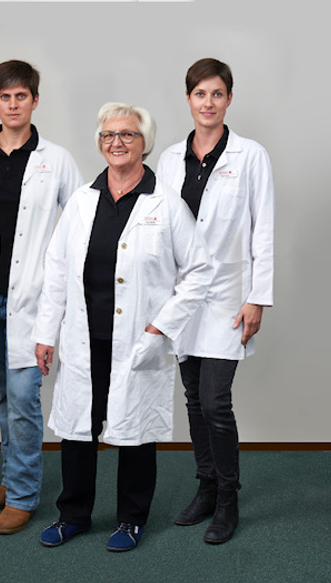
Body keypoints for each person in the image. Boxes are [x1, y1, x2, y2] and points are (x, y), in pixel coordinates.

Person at [35, 103, 212, 553]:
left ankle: (131, 520)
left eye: (128, 134)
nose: (117, 142)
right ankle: (72, 515)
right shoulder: (82, 200)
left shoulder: (165, 203)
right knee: (78, 430)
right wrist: (45, 332)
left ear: (144, 142)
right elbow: (56, 270)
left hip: (136, 339)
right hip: (84, 337)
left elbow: (199, 272)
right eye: (108, 135)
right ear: (100, 142)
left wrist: (161, 327)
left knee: (135, 431)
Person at [0, 60, 83, 535]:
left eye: (21, 96)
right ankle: (13, 477)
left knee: (23, 400)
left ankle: (24, 494)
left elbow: (80, 225)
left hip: (31, 301)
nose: (13, 105)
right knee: (0, 397)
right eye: (4, 97)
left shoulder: (58, 159)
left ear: (35, 100)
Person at [157, 58, 274, 545]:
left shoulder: (250, 156)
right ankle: (206, 486)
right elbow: (160, 229)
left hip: (229, 294)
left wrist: (257, 298)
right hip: (182, 294)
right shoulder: (169, 159)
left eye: (217, 94)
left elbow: (263, 229)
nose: (208, 102)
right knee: (193, 399)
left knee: (214, 401)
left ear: (229, 99)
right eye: (200, 94)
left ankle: (228, 498)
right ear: (188, 99)